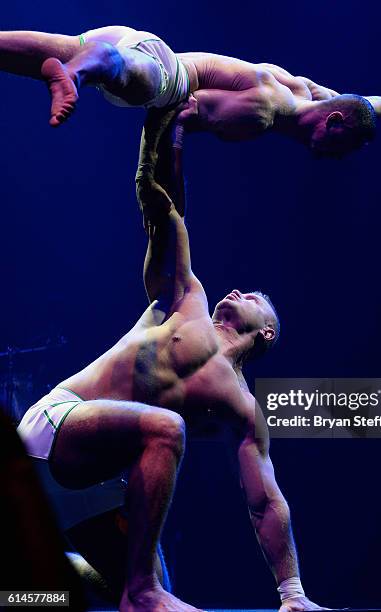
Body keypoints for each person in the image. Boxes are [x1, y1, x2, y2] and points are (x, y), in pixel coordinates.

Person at [17, 109, 327, 612]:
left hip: (96, 480)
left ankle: (40, 585)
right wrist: (170, 134)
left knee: (140, 590)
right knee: (166, 431)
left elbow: (265, 502)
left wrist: (292, 593)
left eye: (252, 296)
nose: (237, 289)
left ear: (266, 331)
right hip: (56, 428)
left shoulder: (244, 409)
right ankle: (140, 588)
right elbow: (166, 214)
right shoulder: (187, 301)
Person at [0, 25, 381, 157]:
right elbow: (187, 113)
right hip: (166, 73)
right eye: (343, 144)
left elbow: (361, 105)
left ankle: (75, 68)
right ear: (332, 122)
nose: (340, 154)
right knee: (124, 77)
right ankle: (71, 77)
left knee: (28, 52)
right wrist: (166, 181)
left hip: (130, 39)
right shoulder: (265, 114)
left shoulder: (307, 92)